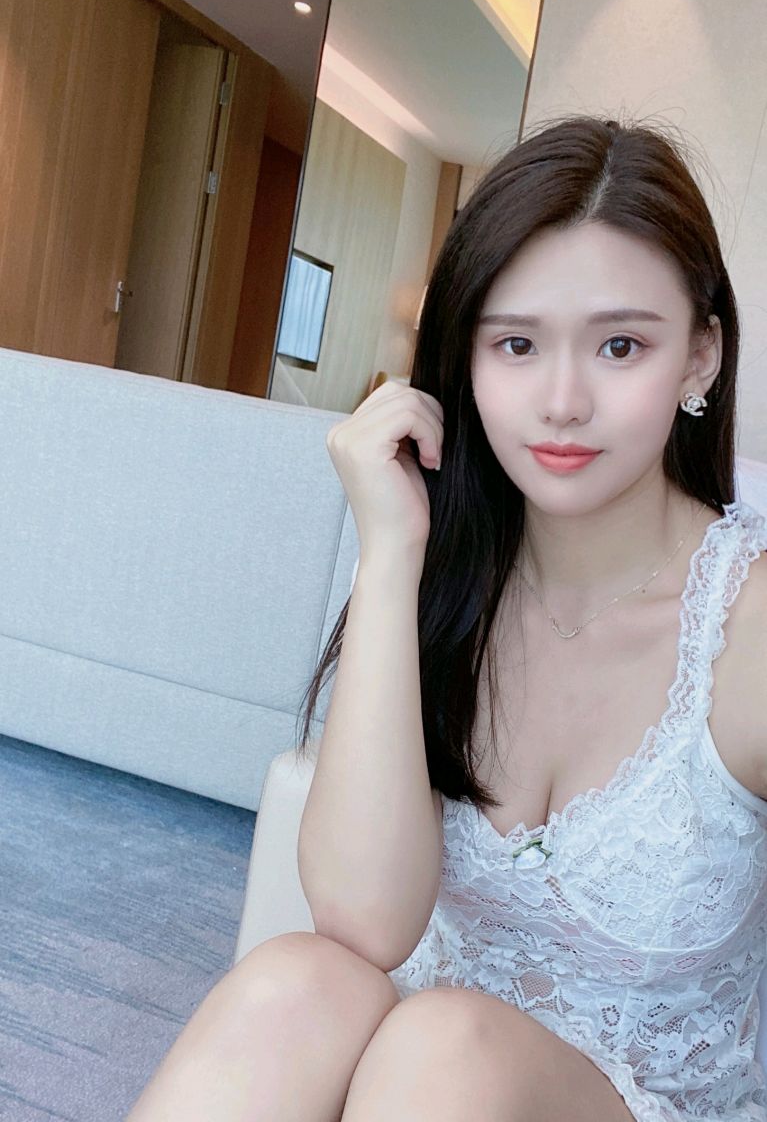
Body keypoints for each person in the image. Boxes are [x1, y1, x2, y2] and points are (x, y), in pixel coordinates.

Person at [125, 113, 767, 1122]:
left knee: (444, 1045)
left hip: (609, 1099)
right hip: (417, 1085)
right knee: (298, 981)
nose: (561, 401)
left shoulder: (746, 627)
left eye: (619, 345)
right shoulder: (450, 575)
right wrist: (389, 555)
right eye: (515, 344)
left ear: (698, 357)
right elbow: (364, 925)